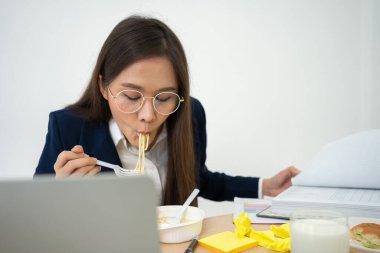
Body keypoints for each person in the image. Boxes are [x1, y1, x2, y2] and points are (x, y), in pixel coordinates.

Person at [35, 15, 300, 205]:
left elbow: (199, 179)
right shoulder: (68, 127)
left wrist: (264, 186)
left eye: (164, 98)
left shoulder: (190, 114)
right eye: (131, 95)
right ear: (104, 87)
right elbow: (33, 217)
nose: (148, 115)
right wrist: (60, 194)